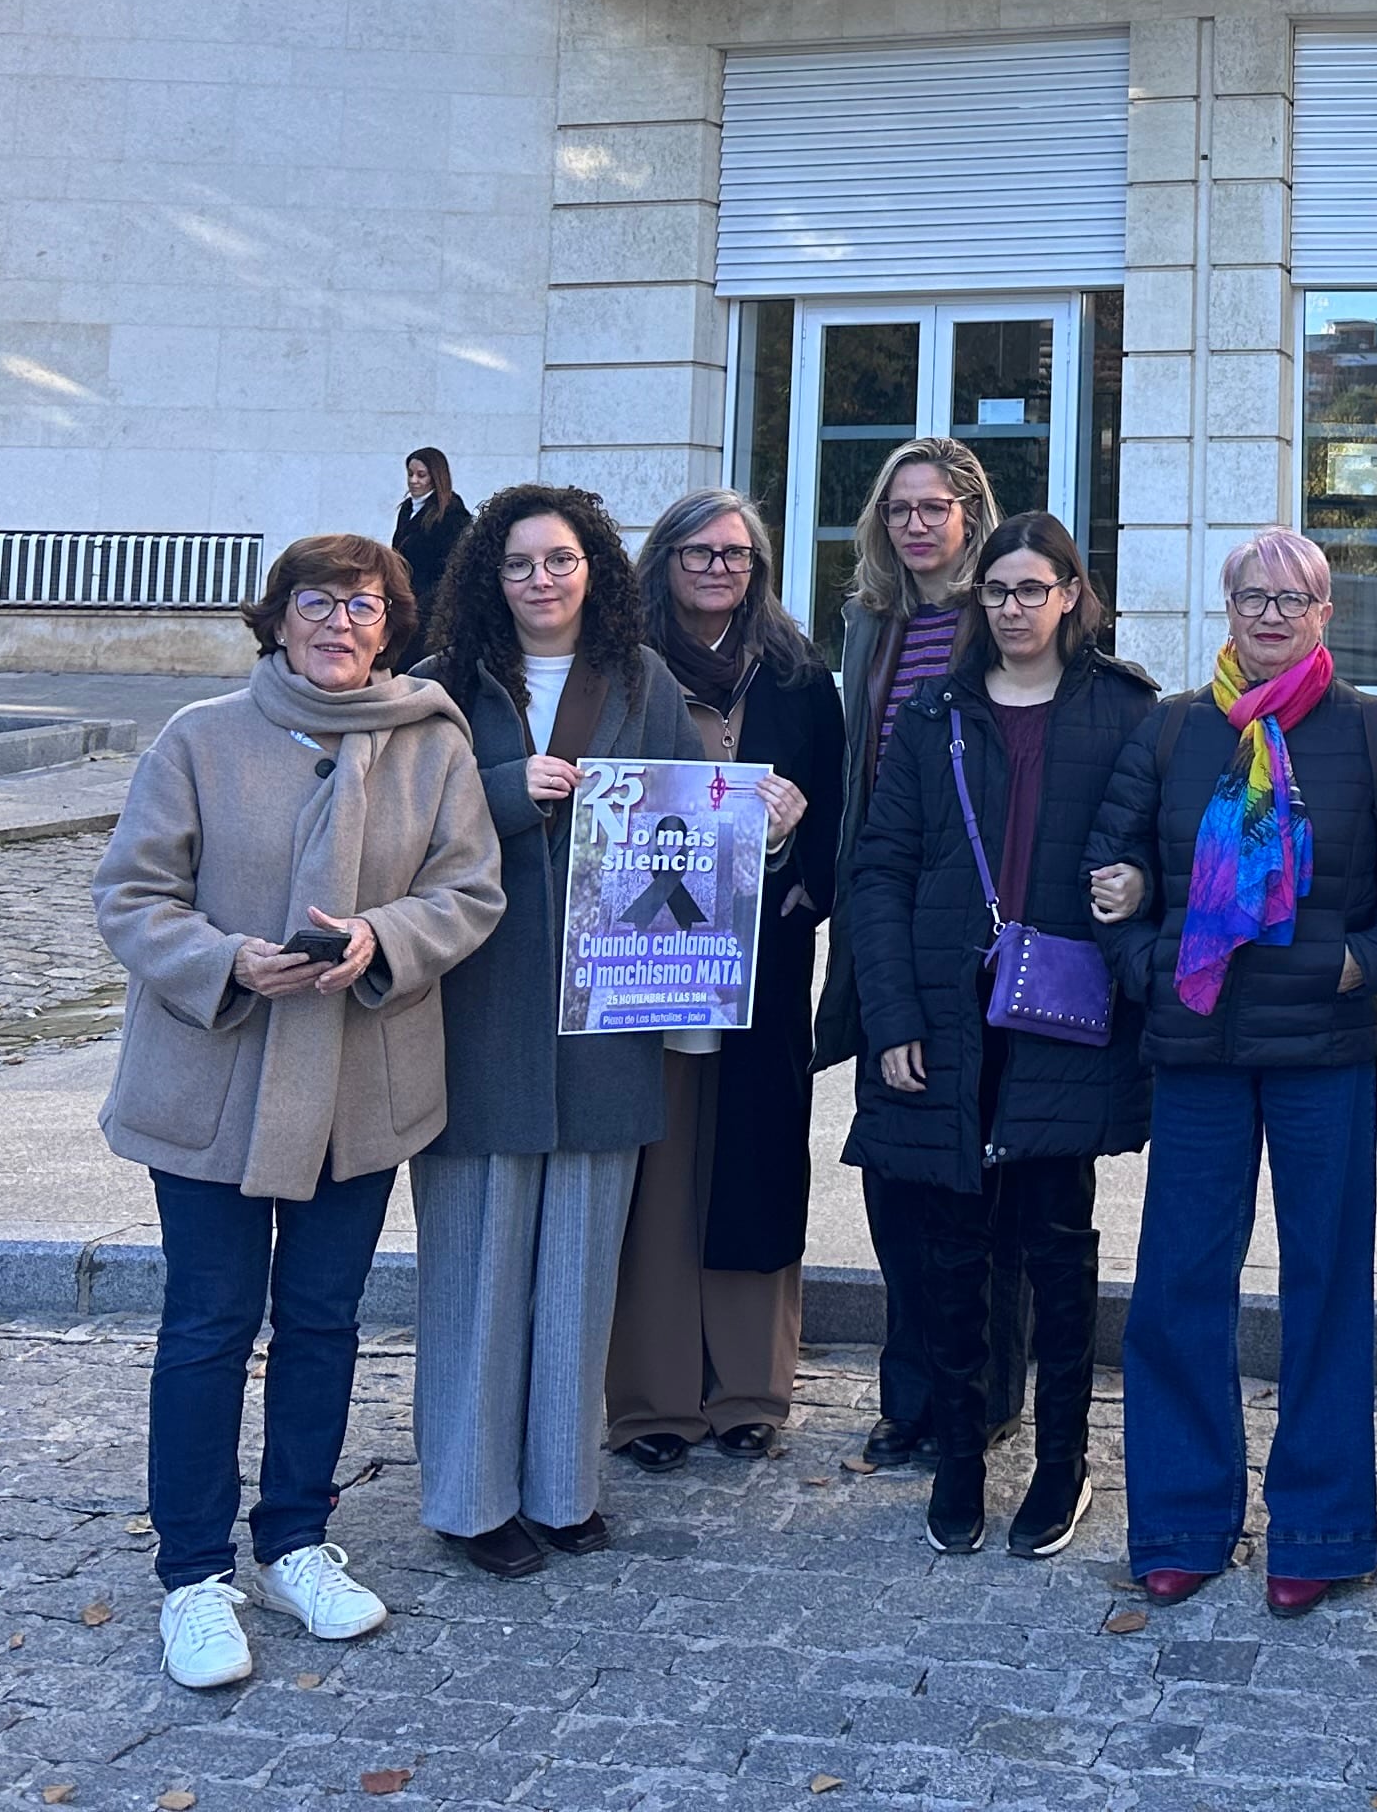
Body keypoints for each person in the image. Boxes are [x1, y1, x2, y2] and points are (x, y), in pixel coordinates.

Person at [90, 534, 504, 1692]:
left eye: (365, 605)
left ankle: (295, 1541)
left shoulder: (432, 744)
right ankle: (192, 1575)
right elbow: (131, 892)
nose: (340, 622)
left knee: (323, 1318)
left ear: (392, 625)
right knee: (210, 1322)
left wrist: (384, 939)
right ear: (275, 620)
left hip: (360, 1079)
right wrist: (225, 961)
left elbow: (469, 890)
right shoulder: (201, 737)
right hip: (216, 1079)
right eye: (317, 602)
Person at [1086, 529, 1377, 1617]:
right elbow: (1112, 865)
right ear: (1227, 609)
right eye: (1253, 596)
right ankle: (1184, 1521)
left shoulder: (1376, 734)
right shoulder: (1173, 729)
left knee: (1327, 1288)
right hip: (1194, 1053)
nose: (1272, 614)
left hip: (1321, 1052)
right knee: (1180, 1288)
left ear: (1326, 614)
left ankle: (1323, 1531)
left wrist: (1356, 966)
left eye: (1294, 598)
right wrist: (1151, 964)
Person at [844, 510, 1154, 1559]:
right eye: (998, 592)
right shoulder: (934, 715)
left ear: (1073, 593)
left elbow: (1164, 849)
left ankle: (1062, 1460)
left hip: (1064, 1014)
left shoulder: (1125, 711)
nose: (1014, 608)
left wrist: (1142, 884)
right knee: (950, 1248)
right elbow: (879, 871)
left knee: (1057, 1250)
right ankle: (965, 1456)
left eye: (1034, 588)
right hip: (946, 1012)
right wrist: (887, 1014)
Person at [408, 482, 699, 1577]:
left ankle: (563, 1489)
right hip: (479, 1006)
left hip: (605, 1007)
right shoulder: (437, 689)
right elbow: (394, 825)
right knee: (477, 1269)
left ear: (596, 571)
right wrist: (501, 788)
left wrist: (755, 821)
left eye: (561, 560)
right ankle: (471, 1500)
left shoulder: (640, 679)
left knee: (578, 1268)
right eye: (521, 563)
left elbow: (686, 817)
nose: (542, 580)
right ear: (490, 575)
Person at [606, 487, 843, 1472]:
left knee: (753, 1159)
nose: (718, 569)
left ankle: (751, 1387)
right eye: (698, 553)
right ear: (662, 561)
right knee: (660, 1165)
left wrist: (792, 851)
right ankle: (653, 1398)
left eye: (737, 555)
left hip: (763, 957)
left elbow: (835, 816)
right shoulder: (618, 671)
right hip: (646, 956)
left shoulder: (795, 675)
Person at [812, 434, 1015, 1471]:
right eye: (899, 508)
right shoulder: (872, 622)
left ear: (970, 514)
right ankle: (911, 1392)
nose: (916, 524)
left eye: (934, 506)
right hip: (883, 906)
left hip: (979, 918)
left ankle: (983, 1393)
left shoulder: (1008, 610)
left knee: (979, 1169)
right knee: (893, 1164)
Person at [393, 450, 471, 631]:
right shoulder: (407, 509)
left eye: (421, 475)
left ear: (435, 477)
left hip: (429, 608)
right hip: (404, 599)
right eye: (410, 474)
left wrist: (423, 602)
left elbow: (451, 567)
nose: (413, 480)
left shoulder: (452, 516)